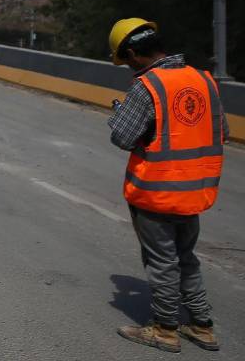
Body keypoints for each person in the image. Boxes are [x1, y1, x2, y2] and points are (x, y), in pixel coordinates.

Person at [107, 18, 228, 353]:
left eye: (126, 59)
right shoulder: (204, 81)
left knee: (162, 261)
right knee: (186, 257)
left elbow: (123, 136)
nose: (128, 66)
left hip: (156, 192)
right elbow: (222, 131)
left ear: (133, 52)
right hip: (196, 191)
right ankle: (202, 326)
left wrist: (120, 113)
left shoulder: (147, 86)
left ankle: (164, 329)